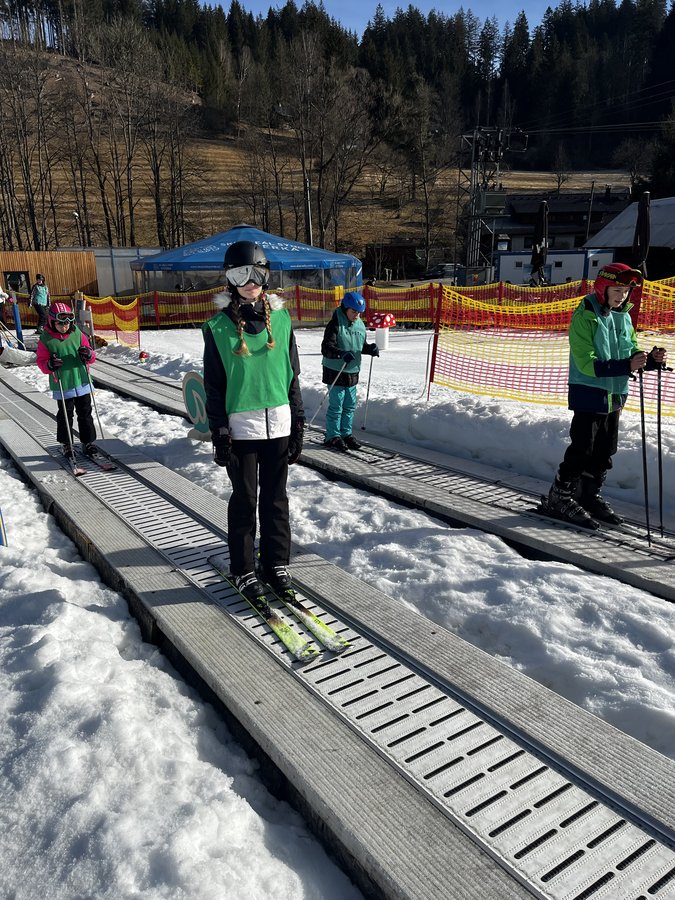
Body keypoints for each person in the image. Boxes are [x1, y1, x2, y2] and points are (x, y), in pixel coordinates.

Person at [202, 240, 305, 601]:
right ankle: (244, 567)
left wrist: (298, 421)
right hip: (241, 428)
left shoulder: (282, 319)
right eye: (240, 274)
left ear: (266, 275)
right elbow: (214, 385)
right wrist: (219, 430)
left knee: (276, 498)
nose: (249, 282)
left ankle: (276, 561)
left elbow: (292, 375)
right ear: (229, 279)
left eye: (256, 273)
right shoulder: (218, 327)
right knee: (245, 499)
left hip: (278, 423)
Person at [545, 263, 667, 528]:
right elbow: (586, 362)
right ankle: (560, 496)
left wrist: (648, 359)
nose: (622, 296)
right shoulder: (585, 315)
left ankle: (587, 495)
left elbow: (630, 349)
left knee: (605, 450)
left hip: (616, 393)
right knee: (582, 448)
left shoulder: (623, 316)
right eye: (617, 290)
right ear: (603, 288)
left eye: (626, 291)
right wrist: (626, 365)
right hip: (589, 391)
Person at [35, 302, 97, 461]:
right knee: (65, 414)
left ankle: (88, 442)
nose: (64, 327)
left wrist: (88, 354)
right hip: (63, 383)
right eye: (60, 323)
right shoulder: (46, 339)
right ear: (51, 322)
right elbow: (41, 361)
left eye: (67, 323)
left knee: (85, 413)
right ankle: (66, 443)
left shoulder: (77, 333)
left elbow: (91, 355)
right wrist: (49, 364)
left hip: (81, 380)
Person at [320, 291, 379, 451]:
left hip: (352, 371)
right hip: (335, 371)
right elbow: (326, 348)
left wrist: (370, 349)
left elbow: (360, 346)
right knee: (337, 405)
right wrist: (341, 353)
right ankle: (332, 436)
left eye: (359, 312)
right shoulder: (335, 324)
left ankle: (346, 434)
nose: (357, 315)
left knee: (350, 405)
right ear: (345, 308)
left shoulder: (360, 325)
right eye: (353, 311)